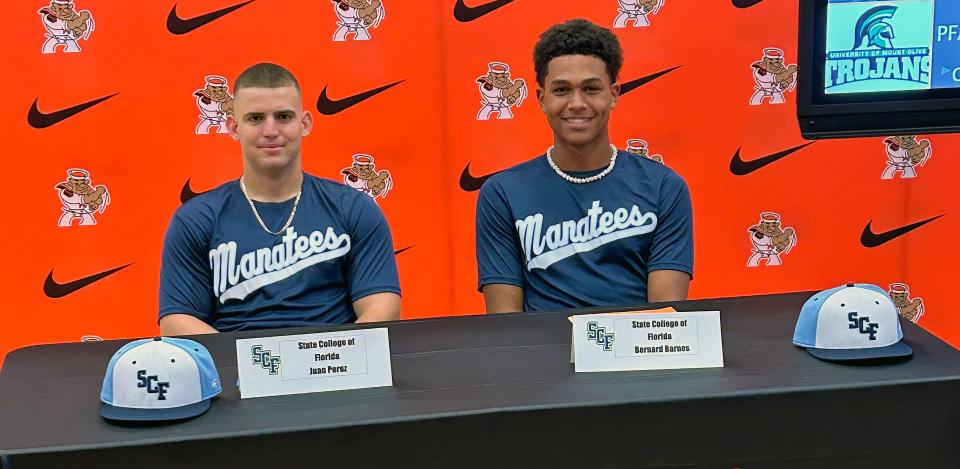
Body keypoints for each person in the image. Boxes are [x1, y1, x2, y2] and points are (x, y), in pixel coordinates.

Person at [159, 63, 401, 334]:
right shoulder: (196, 219)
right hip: (235, 371)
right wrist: (245, 368)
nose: (271, 130)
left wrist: (333, 360)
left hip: (333, 365)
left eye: (284, 116)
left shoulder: (353, 208)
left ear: (305, 123)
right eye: (255, 118)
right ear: (233, 127)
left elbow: (383, 306)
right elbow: (177, 320)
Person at [475, 19, 693, 313]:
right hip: (543, 355)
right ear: (541, 99)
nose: (577, 103)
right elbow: (506, 326)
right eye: (562, 90)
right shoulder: (502, 193)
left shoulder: (664, 187)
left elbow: (665, 320)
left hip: (636, 354)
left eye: (591, 89)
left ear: (613, 94)